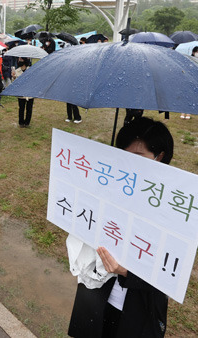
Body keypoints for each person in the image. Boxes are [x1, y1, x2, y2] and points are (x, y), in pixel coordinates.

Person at [68, 117, 173, 337]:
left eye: (137, 156)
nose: (126, 163)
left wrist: (125, 271)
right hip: (96, 298)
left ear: (159, 157)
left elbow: (171, 273)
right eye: (122, 154)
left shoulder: (171, 208)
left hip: (136, 310)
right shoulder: (109, 188)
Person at [12, 58, 34, 128]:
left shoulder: (31, 70)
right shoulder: (16, 71)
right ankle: (21, 122)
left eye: (21, 59)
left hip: (30, 92)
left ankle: (27, 122)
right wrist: (14, 77)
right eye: (18, 60)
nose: (19, 61)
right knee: (21, 108)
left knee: (29, 108)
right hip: (20, 93)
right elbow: (14, 84)